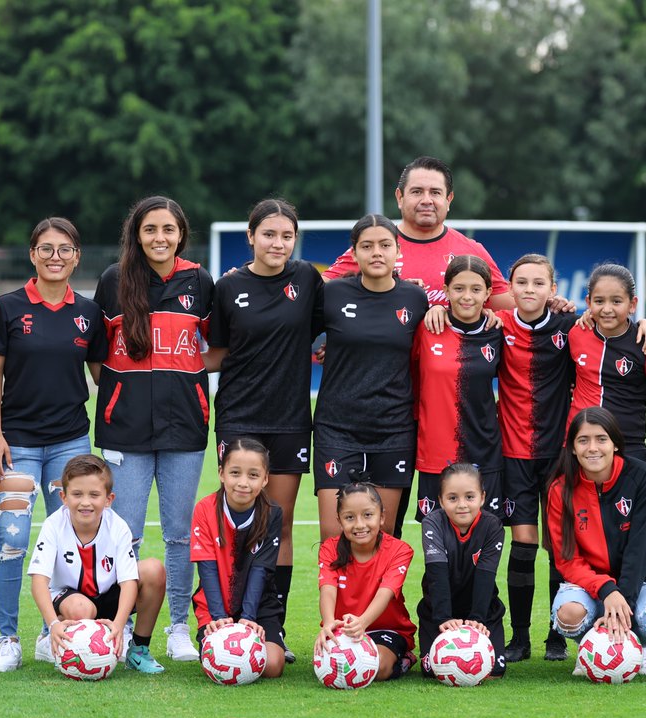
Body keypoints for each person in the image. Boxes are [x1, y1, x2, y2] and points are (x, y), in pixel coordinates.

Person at [93, 196, 213, 662]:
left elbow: (216, 348)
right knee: (126, 534)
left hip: (185, 427)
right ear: (136, 234)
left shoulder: (199, 281)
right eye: (150, 229)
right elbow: (98, 360)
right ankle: (117, 628)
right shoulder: (114, 280)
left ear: (181, 233)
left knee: (181, 534)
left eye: (168, 229)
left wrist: (182, 380)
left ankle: (178, 626)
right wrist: (129, 394)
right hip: (124, 430)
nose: (159, 238)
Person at [205, 198, 325, 661]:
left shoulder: (307, 280)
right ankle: (227, 620)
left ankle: (271, 628)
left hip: (291, 418)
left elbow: (326, 328)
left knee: (280, 522)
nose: (278, 243)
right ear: (251, 236)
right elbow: (217, 351)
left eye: (287, 236)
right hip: (238, 416)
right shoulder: (228, 286)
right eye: (269, 234)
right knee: (236, 522)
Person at [0, 217, 106, 672]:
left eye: (65, 249)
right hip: (17, 443)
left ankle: (47, 632)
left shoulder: (89, 313)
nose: (56, 257)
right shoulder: (8, 307)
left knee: (65, 544)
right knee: (12, 540)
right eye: (46, 249)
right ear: (32, 254)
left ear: (77, 256)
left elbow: (100, 376)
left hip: (71, 443)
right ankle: (8, 639)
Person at [313, 214, 428, 540]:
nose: (376, 252)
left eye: (384, 245)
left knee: (383, 536)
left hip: (393, 429)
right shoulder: (331, 294)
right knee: (335, 537)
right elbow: (290, 328)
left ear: (397, 250)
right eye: (367, 246)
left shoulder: (415, 299)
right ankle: (336, 594)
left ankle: (378, 595)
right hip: (337, 428)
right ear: (354, 252)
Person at [546, 407, 646, 677]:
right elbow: (566, 559)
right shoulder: (560, 489)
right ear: (572, 448)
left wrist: (623, 601)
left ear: (616, 444)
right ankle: (590, 646)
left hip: (639, 580)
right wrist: (606, 589)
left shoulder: (642, 475)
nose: (592, 448)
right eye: (583, 440)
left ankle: (640, 646)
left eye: (601, 439)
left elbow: (639, 548)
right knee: (569, 616)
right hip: (589, 583)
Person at [494, 254, 577, 663]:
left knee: (559, 547)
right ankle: (520, 637)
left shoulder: (569, 326)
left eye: (538, 283)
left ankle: (557, 634)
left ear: (553, 290)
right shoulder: (498, 327)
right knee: (524, 543)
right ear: (509, 288)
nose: (529, 289)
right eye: (521, 282)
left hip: (560, 456)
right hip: (513, 454)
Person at [27, 454, 166, 674]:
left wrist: (119, 624)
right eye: (77, 494)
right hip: (70, 599)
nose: (85, 502)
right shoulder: (53, 525)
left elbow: (129, 582)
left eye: (94, 495)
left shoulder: (118, 526)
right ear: (63, 497)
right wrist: (52, 623)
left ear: (109, 499)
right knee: (82, 608)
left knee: (153, 570)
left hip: (108, 594)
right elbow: (38, 581)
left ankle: (138, 651)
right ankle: (56, 642)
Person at [322, 156, 512, 309]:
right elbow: (317, 295)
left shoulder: (472, 252)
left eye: (435, 192)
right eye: (417, 192)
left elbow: (511, 310)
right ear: (400, 197)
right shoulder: (374, 247)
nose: (427, 200)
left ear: (449, 200)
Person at [411, 255, 505, 521]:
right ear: (445, 290)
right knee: (439, 543)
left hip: (484, 448)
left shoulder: (498, 330)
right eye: (459, 288)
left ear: (488, 293)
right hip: (437, 451)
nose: (467, 297)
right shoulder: (427, 327)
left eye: (476, 289)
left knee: (483, 539)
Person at [568, 263, 646, 491]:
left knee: (627, 526)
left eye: (616, 301)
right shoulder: (576, 332)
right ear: (588, 303)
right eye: (599, 301)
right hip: (580, 452)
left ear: (632, 304)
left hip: (629, 451)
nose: (607, 309)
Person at [190, 438, 286, 678]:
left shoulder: (272, 513)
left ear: (265, 479)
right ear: (222, 473)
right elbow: (207, 568)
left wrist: (248, 619)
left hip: (259, 606)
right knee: (220, 661)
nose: (243, 483)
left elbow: (261, 569)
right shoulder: (205, 508)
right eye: (235, 473)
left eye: (253, 475)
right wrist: (219, 618)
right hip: (214, 606)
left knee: (272, 666)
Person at [315, 482, 417, 681]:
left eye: (368, 515)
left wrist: (362, 622)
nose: (360, 524)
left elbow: (385, 593)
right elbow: (327, 589)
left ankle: (404, 659)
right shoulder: (329, 548)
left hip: (388, 629)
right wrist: (328, 623)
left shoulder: (400, 550)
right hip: (344, 629)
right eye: (350, 517)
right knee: (336, 668)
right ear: (339, 521)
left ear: (382, 517)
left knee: (377, 668)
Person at [416, 464, 507, 679]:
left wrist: (478, 620)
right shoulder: (432, 523)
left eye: (469, 497)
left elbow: (486, 575)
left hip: (482, 611)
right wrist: (444, 619)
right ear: (440, 500)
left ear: (482, 497)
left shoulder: (493, 526)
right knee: (433, 671)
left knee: (493, 672)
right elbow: (436, 574)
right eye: (453, 498)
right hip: (438, 612)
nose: (462, 505)